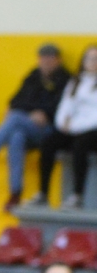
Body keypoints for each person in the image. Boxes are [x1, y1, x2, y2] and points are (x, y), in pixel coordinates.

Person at [0, 44, 70, 209]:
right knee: (16, 136)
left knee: (15, 118)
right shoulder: (33, 76)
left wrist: (38, 111)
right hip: (28, 125)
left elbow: (57, 108)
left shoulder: (65, 80)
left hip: (49, 130)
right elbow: (16, 100)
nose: (46, 61)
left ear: (58, 60)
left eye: (50, 58)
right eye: (43, 58)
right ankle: (16, 192)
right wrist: (33, 111)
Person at [29, 45, 97, 210]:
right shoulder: (76, 81)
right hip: (73, 128)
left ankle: (77, 196)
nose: (93, 62)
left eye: (96, 59)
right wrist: (63, 123)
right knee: (49, 143)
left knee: (80, 146)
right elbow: (66, 105)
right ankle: (42, 193)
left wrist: (75, 126)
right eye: (89, 58)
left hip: (91, 129)